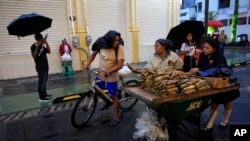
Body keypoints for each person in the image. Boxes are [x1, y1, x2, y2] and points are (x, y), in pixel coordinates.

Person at [189, 38, 240, 132]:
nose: (204, 49)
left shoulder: (219, 56)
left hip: (225, 82)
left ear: (214, 49)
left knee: (227, 102)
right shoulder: (202, 55)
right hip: (212, 83)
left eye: (207, 48)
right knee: (214, 102)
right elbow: (201, 67)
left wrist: (200, 70)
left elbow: (219, 70)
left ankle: (225, 121)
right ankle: (210, 124)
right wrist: (196, 69)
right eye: (204, 47)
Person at [83, 30, 124, 127]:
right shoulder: (101, 44)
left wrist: (107, 72)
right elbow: (93, 54)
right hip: (101, 74)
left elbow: (120, 65)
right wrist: (87, 64)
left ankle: (116, 117)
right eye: (115, 41)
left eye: (118, 40)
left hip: (112, 76)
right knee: (96, 90)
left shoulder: (119, 48)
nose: (117, 42)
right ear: (109, 40)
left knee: (114, 97)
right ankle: (107, 102)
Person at [30, 33, 52, 102]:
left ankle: (44, 94)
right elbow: (34, 55)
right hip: (40, 67)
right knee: (41, 82)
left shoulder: (43, 46)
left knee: (45, 81)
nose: (43, 40)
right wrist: (38, 46)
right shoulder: (33, 46)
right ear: (39, 39)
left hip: (45, 66)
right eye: (42, 38)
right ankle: (41, 97)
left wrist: (46, 43)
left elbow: (49, 51)